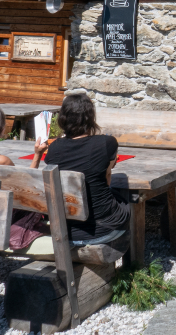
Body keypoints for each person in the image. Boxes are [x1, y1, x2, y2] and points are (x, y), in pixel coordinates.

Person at [44, 94, 130, 244]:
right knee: (126, 200)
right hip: (101, 228)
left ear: (63, 117)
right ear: (90, 117)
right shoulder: (106, 143)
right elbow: (107, 178)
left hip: (65, 230)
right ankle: (131, 257)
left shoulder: (54, 148)